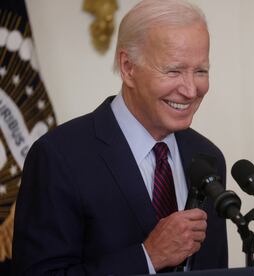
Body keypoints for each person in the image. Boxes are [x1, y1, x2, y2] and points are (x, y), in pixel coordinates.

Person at [12, 0, 228, 274]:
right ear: (128, 68)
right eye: (173, 70)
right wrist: (147, 257)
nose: (190, 89)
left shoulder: (207, 158)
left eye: (200, 71)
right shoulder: (59, 156)